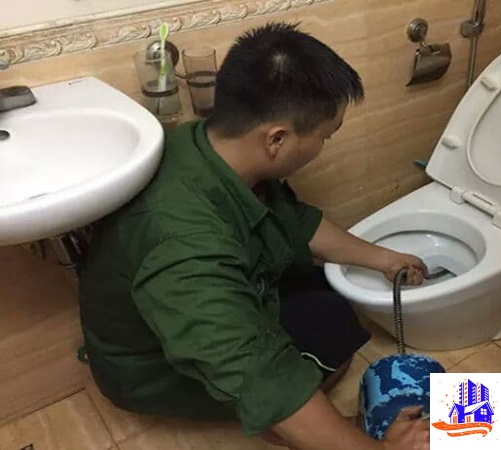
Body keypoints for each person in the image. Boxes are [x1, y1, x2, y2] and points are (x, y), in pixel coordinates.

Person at [78, 21, 430, 450]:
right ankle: (290, 430)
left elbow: (293, 219)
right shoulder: (185, 247)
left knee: (332, 310)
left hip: (205, 301)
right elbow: (260, 376)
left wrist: (384, 258)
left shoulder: (204, 145)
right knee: (318, 358)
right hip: (155, 365)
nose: (324, 145)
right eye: (325, 136)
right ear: (277, 139)